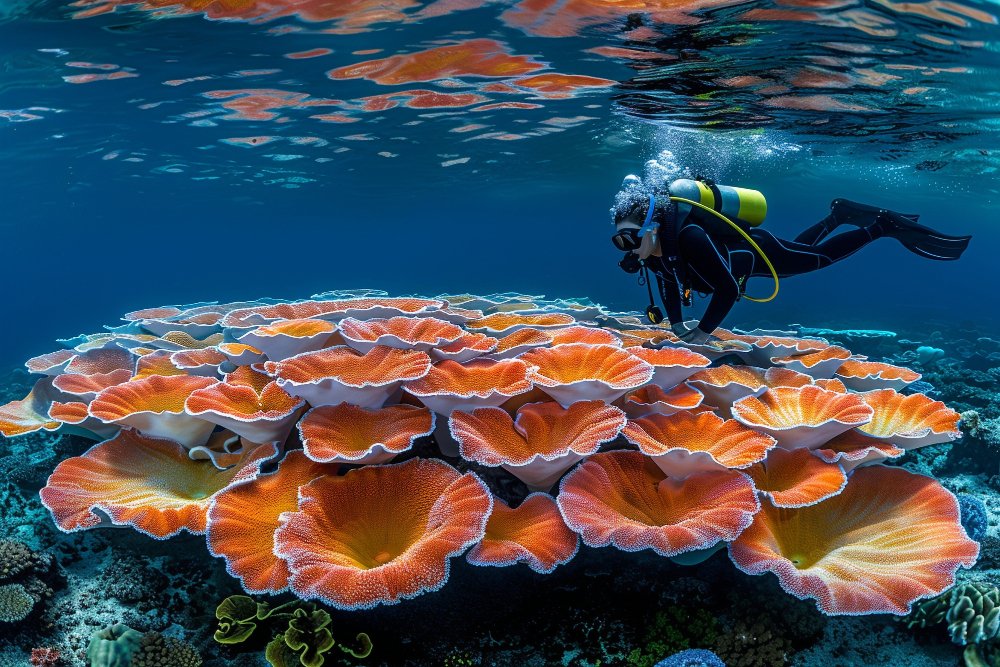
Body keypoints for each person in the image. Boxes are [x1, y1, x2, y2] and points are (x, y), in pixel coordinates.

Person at [611, 175, 971, 344]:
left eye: (628, 236)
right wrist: (676, 326)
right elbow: (668, 283)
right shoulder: (656, 255)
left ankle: (881, 226)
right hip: (743, 263)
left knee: (819, 259)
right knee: (806, 253)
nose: (626, 247)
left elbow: (724, 290)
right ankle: (837, 215)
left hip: (757, 250)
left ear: (652, 226)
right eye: (618, 241)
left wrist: (702, 334)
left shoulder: (688, 236)